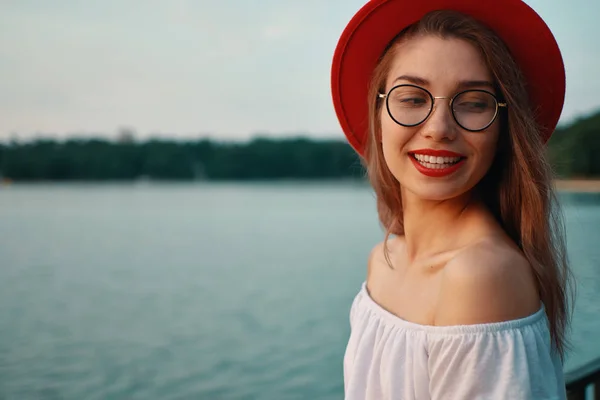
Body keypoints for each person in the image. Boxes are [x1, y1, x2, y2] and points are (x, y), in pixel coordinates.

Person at [330, 1, 573, 399]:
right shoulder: (385, 259)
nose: (439, 129)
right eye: (412, 98)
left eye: (473, 102)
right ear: (378, 114)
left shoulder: (480, 276)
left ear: (503, 128)